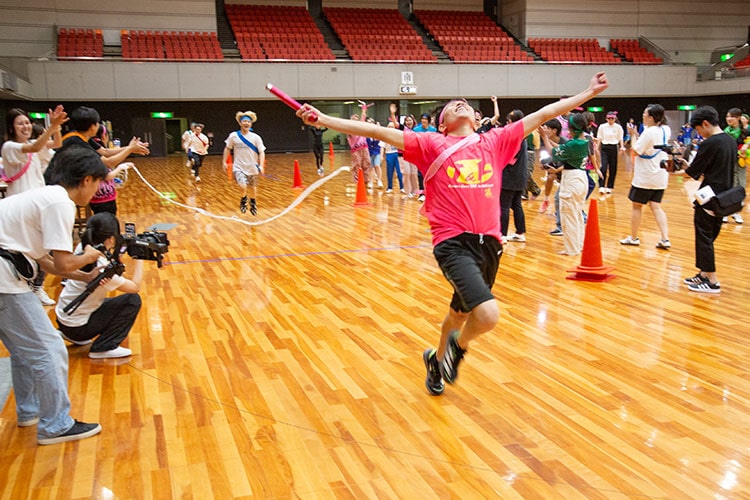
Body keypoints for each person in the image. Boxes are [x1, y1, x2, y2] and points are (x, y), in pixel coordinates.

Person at [296, 72, 609, 395]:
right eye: (451, 105)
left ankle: (435, 358)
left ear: (476, 119)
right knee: (487, 315)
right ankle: (456, 350)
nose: (459, 104)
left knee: (458, 313)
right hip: (452, 243)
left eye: (465, 104)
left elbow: (544, 114)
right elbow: (376, 129)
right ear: (442, 123)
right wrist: (323, 119)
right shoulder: (431, 143)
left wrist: (588, 92)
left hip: (490, 244)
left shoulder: (495, 141)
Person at [0, 144, 109, 445]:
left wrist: (82, 275)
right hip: (4, 281)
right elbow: (62, 261)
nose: (98, 190)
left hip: (7, 272)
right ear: (86, 179)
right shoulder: (60, 202)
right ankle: (56, 425)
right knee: (50, 349)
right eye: (99, 183)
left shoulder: (43, 196)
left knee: (25, 350)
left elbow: (45, 261)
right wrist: (88, 257)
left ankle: (30, 411)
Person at [1, 106, 65, 306]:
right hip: (20, 209)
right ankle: (27, 288)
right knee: (25, 252)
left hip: (39, 207)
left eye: (27, 122)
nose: (25, 126)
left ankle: (37, 287)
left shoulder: (33, 143)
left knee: (45, 248)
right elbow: (36, 148)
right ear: (11, 128)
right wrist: (52, 125)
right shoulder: (9, 147)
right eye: (20, 123)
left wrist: (56, 127)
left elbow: (57, 143)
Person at [55, 212, 143, 357]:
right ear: (110, 238)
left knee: (109, 302)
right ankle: (104, 347)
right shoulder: (101, 268)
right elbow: (135, 287)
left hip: (65, 319)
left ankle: (71, 335)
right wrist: (140, 258)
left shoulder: (84, 248)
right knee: (132, 300)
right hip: (78, 327)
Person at [678, 106, 737, 293]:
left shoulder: (710, 143)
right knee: (709, 235)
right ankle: (703, 273)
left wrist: (675, 171)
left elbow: (692, 173)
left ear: (705, 124)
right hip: (725, 196)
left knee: (704, 237)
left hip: (709, 196)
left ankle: (712, 280)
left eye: (698, 129)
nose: (699, 134)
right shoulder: (730, 141)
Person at [620, 104, 672, 249]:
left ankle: (634, 237)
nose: (642, 115)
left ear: (651, 117)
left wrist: (632, 135)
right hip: (660, 176)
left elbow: (636, 150)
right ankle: (665, 239)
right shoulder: (665, 129)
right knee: (656, 206)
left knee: (637, 206)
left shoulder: (649, 132)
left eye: (644, 113)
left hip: (645, 176)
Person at [541, 113, 592, 256]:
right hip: (581, 178)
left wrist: (545, 137)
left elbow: (553, 152)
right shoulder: (584, 140)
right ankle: (578, 245)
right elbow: (564, 149)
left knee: (568, 216)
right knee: (576, 214)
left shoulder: (573, 143)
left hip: (572, 180)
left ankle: (571, 249)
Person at [61, 107, 149, 168]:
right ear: (92, 126)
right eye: (97, 123)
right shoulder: (76, 142)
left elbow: (105, 152)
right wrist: (129, 150)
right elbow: (108, 163)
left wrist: (130, 148)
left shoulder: (81, 136)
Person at [223, 110, 266, 215]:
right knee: (243, 186)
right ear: (240, 123)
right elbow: (227, 148)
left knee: (252, 188)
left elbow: (261, 152)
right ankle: (243, 200)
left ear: (251, 124)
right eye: (244, 121)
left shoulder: (256, 137)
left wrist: (261, 165)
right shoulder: (234, 136)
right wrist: (224, 161)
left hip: (252, 167)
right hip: (239, 167)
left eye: (248, 121)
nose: (246, 123)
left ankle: (253, 202)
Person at [88, 124, 131, 215]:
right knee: (107, 223)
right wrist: (121, 167)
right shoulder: (94, 151)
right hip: (103, 198)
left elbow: (107, 153)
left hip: (96, 197)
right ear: (104, 136)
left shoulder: (91, 147)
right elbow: (106, 174)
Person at [500, 110, 528, 243]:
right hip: (520, 176)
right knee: (516, 205)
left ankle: (502, 234)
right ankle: (520, 232)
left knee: (504, 205)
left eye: (509, 121)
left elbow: (511, 158)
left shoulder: (515, 137)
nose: (507, 123)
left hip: (510, 176)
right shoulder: (523, 135)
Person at [722, 108, 748, 224]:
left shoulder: (745, 131)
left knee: (740, 185)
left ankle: (735, 212)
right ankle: (725, 212)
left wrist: (746, 146)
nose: (728, 119)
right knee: (729, 185)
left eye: (731, 116)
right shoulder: (725, 131)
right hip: (728, 161)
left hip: (741, 161)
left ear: (738, 118)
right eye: (727, 116)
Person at [596, 110, 625, 194]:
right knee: (603, 167)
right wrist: (597, 148)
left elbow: (620, 138)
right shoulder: (602, 126)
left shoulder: (618, 127)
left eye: (612, 118)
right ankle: (601, 185)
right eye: (609, 118)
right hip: (605, 147)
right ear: (606, 119)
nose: (611, 120)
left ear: (615, 119)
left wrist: (622, 146)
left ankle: (610, 186)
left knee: (613, 167)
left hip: (613, 147)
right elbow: (599, 138)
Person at [382, 122, 404, 194]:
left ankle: (402, 187)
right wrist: (382, 155)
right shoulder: (384, 136)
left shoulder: (397, 136)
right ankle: (389, 187)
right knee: (390, 172)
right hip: (389, 154)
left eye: (392, 127)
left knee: (399, 171)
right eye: (389, 127)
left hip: (396, 154)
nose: (391, 128)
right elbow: (382, 147)